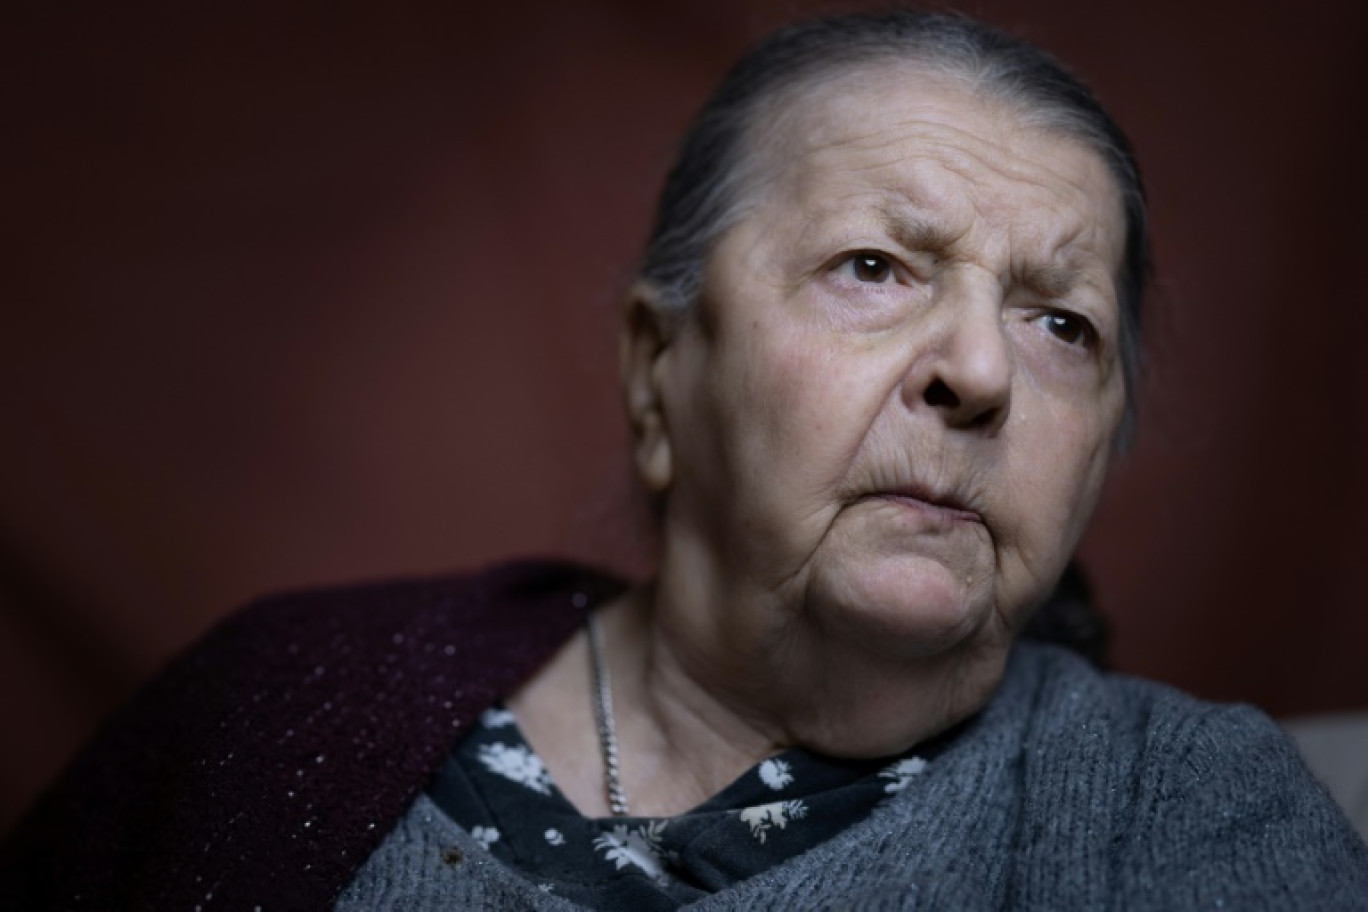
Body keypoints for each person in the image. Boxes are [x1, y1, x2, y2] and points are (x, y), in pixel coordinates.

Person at [3, 9, 1366, 911]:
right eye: (876, 267)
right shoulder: (282, 701)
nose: (984, 371)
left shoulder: (1188, 824)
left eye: (1062, 321)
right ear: (661, 375)